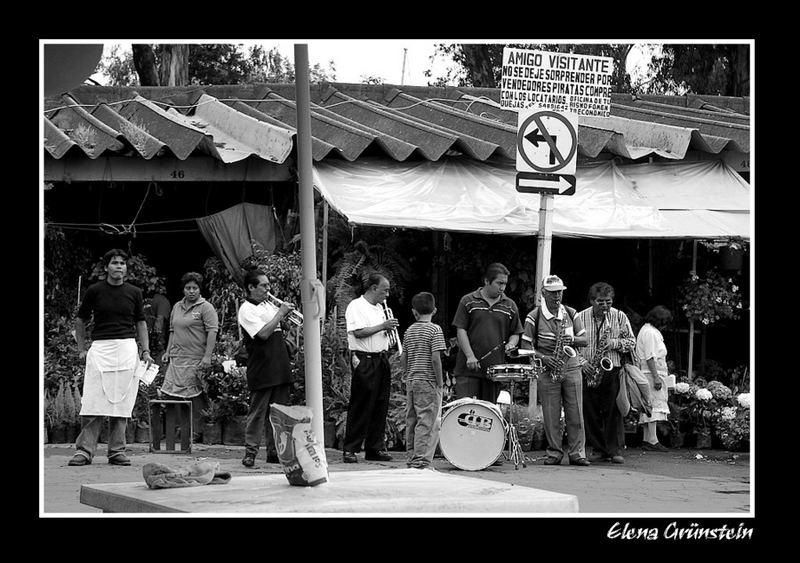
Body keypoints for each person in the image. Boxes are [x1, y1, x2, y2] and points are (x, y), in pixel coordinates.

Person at [68, 249, 152, 466]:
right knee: (93, 400)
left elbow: (141, 323)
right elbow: (80, 320)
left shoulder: (134, 292)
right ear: (106, 267)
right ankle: (84, 451)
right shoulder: (95, 291)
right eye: (114, 263)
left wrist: (145, 351)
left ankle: (117, 451)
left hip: (126, 349)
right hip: (100, 349)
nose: (118, 266)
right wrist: (81, 348)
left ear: (126, 268)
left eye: (122, 263)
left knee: (122, 401)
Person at [520, 274, 590, 466]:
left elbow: (585, 340)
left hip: (571, 365)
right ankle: (554, 453)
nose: (556, 296)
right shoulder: (533, 316)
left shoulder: (571, 312)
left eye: (559, 292)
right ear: (543, 293)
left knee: (575, 411)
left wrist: (572, 340)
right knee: (551, 414)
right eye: (552, 293)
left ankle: (577, 453)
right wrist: (544, 358)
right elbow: (525, 347)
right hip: (547, 366)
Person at [237, 269, 295, 467]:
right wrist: (280, 313)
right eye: (264, 285)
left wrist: (283, 318)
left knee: (279, 414)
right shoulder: (246, 309)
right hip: (262, 367)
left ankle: (275, 452)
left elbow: (280, 328)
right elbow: (263, 334)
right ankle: (250, 452)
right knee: (257, 413)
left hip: (280, 364)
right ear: (251, 287)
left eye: (268, 285)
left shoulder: (269, 305)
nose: (268, 289)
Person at [576, 282, 636, 465]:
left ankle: (614, 450)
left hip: (612, 369)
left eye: (608, 302)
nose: (605, 306)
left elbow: (631, 342)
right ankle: (598, 449)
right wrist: (583, 363)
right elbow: (571, 344)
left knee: (613, 412)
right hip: (588, 369)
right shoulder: (579, 317)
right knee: (590, 412)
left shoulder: (619, 316)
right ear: (592, 300)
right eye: (600, 302)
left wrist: (614, 343)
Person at [342, 273, 399, 463]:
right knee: (361, 403)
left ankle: (375, 447)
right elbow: (358, 333)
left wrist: (386, 329)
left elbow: (379, 332)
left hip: (381, 358)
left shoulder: (379, 308)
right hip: (364, 358)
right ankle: (351, 448)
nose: (387, 295)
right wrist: (383, 326)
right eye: (385, 290)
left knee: (380, 404)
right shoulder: (356, 306)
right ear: (373, 288)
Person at [451, 262, 523, 403]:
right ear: (486, 281)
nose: (502, 288)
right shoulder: (468, 301)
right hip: (468, 370)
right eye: (499, 283)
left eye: (505, 284)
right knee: (465, 411)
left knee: (488, 416)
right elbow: (461, 330)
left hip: (495, 371)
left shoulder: (510, 305)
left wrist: (511, 344)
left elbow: (515, 332)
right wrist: (470, 356)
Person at [160, 272, 218, 443]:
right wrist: (168, 351)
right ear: (183, 289)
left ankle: (196, 431)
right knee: (173, 394)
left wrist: (207, 356)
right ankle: (180, 429)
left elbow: (212, 331)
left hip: (196, 358)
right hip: (177, 357)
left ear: (200, 290)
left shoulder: (206, 307)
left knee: (194, 395)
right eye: (188, 288)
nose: (191, 291)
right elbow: (172, 330)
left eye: (195, 288)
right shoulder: (177, 306)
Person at [401, 292, 447, 470]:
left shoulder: (409, 330)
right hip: (428, 380)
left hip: (412, 380)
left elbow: (403, 357)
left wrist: (407, 374)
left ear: (414, 312)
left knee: (411, 419)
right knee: (427, 420)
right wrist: (440, 381)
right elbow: (436, 358)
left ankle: (412, 457)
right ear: (434, 310)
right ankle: (421, 462)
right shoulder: (435, 330)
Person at [636, 305, 673, 451]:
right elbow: (650, 356)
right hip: (651, 373)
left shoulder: (647, 330)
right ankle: (652, 439)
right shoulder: (651, 332)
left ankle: (647, 438)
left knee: (648, 405)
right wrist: (656, 377)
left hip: (649, 372)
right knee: (653, 405)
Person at [144, 285, 171, 368]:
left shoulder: (146, 300)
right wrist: (157, 338)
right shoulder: (162, 300)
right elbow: (160, 320)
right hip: (155, 339)